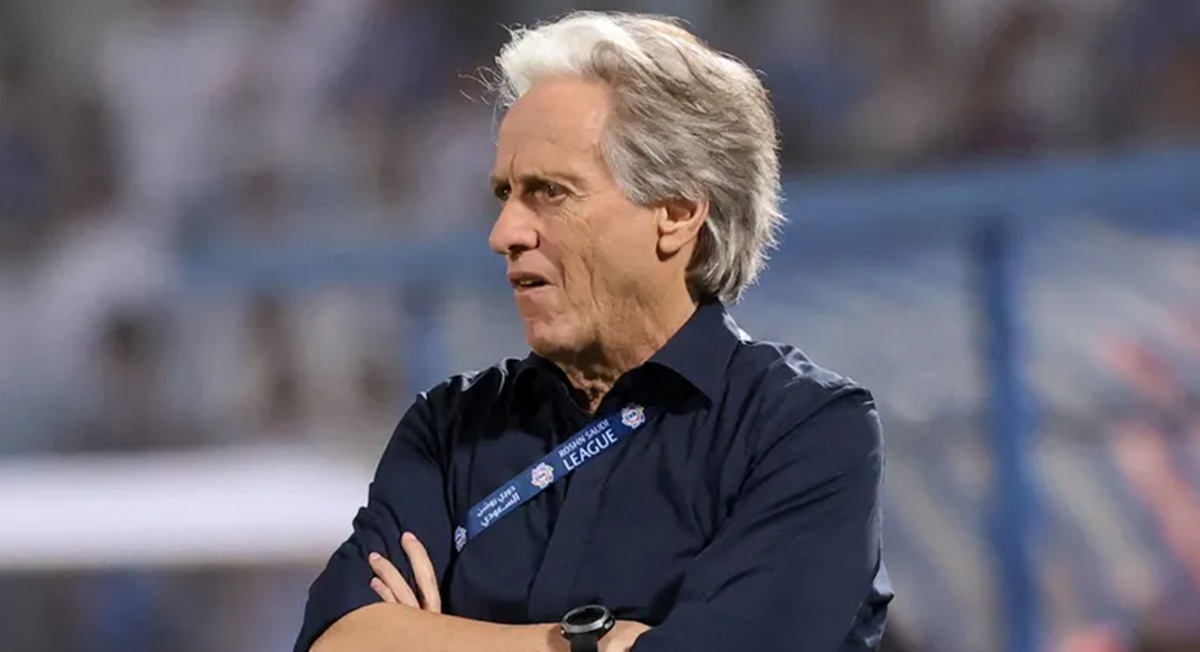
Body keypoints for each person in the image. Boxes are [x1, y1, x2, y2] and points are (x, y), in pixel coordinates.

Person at [296, 11, 892, 652]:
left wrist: (431, 636)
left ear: (677, 212)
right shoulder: (448, 431)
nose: (505, 234)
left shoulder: (805, 430)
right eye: (504, 194)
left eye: (549, 192)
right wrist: (590, 644)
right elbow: (340, 642)